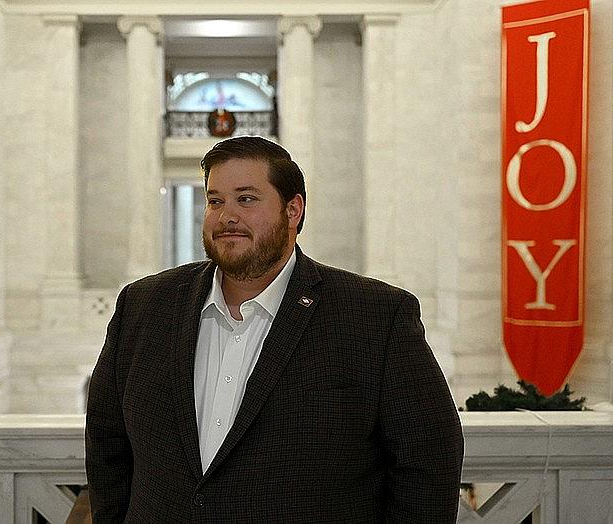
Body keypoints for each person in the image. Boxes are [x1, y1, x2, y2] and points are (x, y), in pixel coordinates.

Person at [79, 136, 464, 523]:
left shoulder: (375, 317)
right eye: (215, 201)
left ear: (292, 210)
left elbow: (428, 460)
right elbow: (107, 444)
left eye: (246, 199)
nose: (226, 216)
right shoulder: (144, 306)